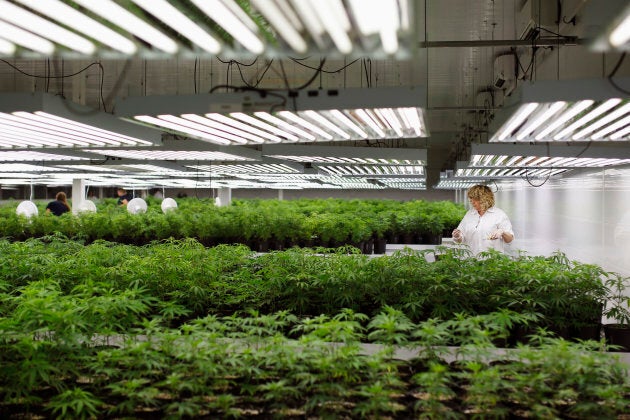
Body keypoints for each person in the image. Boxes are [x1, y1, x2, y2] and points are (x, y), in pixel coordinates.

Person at [452, 184, 514, 255]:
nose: (472, 202)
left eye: (475, 199)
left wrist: (502, 232)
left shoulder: (499, 214)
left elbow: (509, 239)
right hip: (470, 259)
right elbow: (460, 238)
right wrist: (457, 236)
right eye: (471, 199)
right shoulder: (469, 214)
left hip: (491, 261)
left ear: (485, 199)